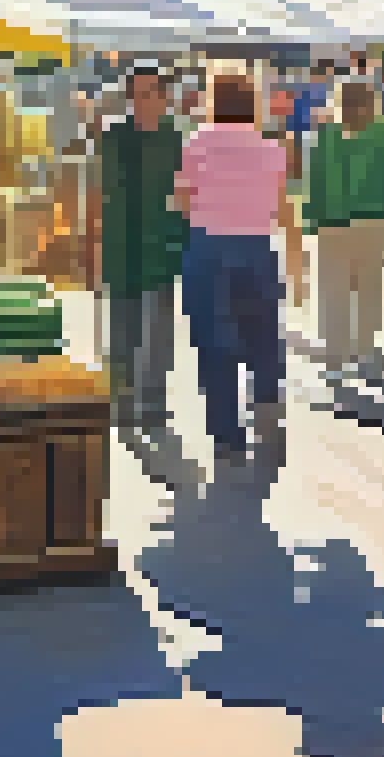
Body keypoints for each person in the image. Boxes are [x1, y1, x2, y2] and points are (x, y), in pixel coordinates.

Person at [177, 75, 300, 471]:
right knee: (263, 334)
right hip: (256, 247)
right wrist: (298, 262)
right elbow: (284, 209)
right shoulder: (272, 150)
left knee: (215, 345)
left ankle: (228, 437)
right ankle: (266, 407)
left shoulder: (196, 144)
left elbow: (182, 201)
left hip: (209, 247)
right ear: (253, 105)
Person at [100, 66, 194, 488]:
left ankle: (153, 406)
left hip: (161, 246)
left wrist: (187, 239)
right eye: (135, 94)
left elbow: (188, 195)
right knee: (121, 332)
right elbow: (97, 191)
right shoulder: (113, 136)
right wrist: (90, 242)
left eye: (149, 93)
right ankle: (120, 405)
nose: (142, 101)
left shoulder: (177, 139)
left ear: (163, 96)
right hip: (121, 247)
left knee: (157, 333)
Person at [308, 81, 384, 380]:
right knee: (368, 288)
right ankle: (364, 351)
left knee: (334, 291)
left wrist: (312, 220)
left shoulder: (327, 134)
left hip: (333, 221)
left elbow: (314, 178)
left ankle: (336, 359)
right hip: (374, 221)